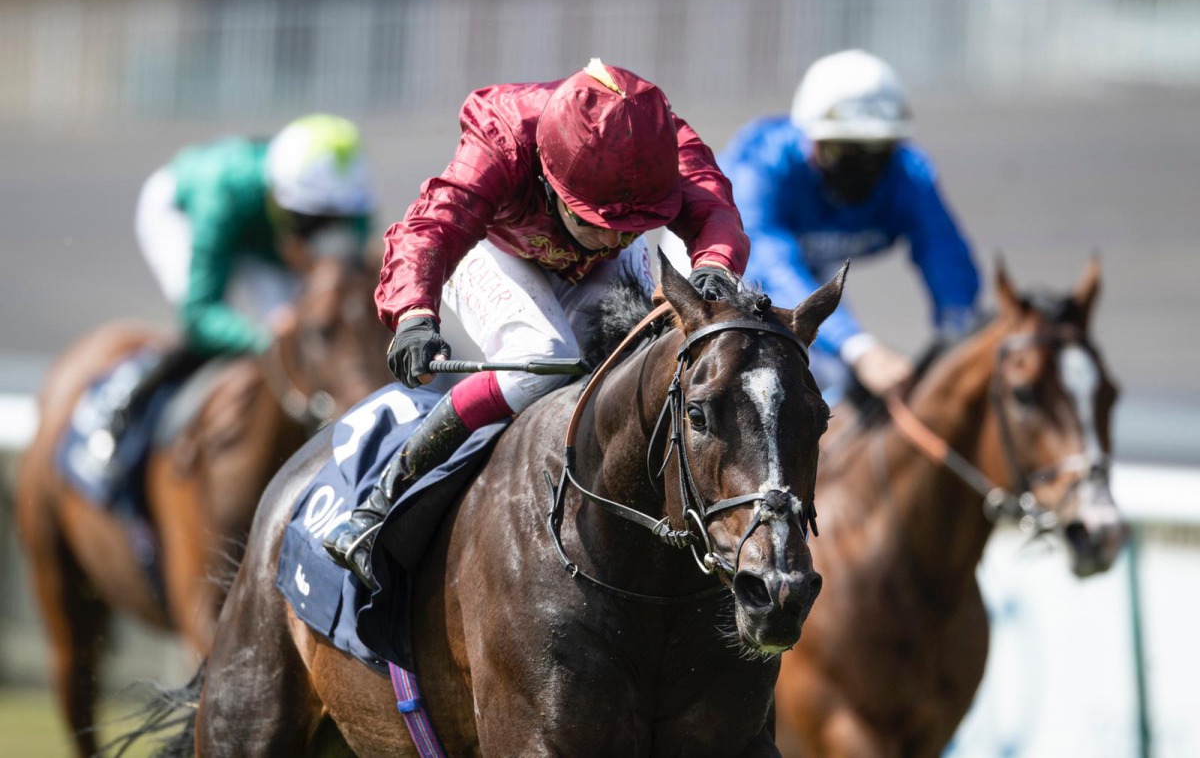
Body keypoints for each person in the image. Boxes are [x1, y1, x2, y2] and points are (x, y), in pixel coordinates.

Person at [323, 59, 749, 587]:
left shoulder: (659, 142)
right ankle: (384, 501)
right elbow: (432, 227)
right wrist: (414, 313)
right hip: (498, 250)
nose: (616, 238)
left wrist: (714, 265)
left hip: (584, 264)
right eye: (600, 221)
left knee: (653, 358)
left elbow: (713, 208)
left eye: (633, 225)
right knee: (546, 359)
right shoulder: (502, 140)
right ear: (549, 177)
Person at [665, 49, 979, 402]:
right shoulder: (762, 162)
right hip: (725, 267)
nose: (863, 168)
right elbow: (770, 263)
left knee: (835, 382)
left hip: (808, 276)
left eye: (879, 152)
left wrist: (958, 331)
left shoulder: (909, 175)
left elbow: (944, 252)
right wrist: (858, 346)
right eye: (843, 150)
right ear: (809, 135)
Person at [91, 114, 376, 471]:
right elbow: (200, 314)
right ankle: (128, 403)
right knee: (228, 331)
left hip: (263, 234)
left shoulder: (348, 203)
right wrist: (261, 338)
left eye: (336, 223)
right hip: (183, 213)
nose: (323, 238)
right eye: (313, 223)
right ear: (279, 199)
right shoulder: (220, 194)